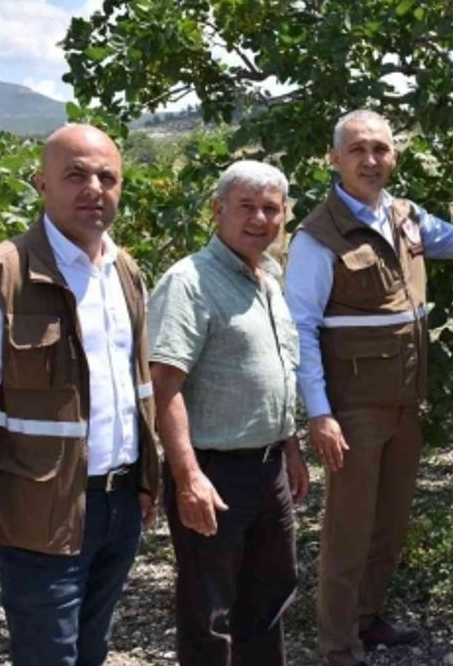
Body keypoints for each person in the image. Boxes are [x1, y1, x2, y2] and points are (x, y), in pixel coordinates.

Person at [0, 123, 160, 665]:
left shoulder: (124, 272)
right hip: (40, 508)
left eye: (107, 177)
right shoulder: (1, 277)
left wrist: (148, 478)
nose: (94, 189)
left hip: (119, 504)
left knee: (91, 650)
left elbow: (137, 389)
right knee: (48, 656)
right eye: (75, 175)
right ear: (42, 183)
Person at [285, 109, 453, 666]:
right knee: (348, 529)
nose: (371, 160)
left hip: (404, 401)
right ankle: (337, 646)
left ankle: (369, 620)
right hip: (353, 408)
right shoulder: (318, 237)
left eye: (381, 149)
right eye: (358, 150)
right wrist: (319, 413)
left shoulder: (406, 216)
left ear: (394, 156)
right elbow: (302, 326)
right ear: (335, 159)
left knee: (389, 522)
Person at [147, 161, 309, 665]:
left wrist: (291, 450)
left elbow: (275, 374)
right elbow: (163, 386)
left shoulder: (268, 279)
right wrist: (187, 476)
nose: (259, 218)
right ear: (218, 210)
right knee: (209, 611)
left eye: (270, 208)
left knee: (269, 596)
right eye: (246, 206)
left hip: (269, 469)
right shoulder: (190, 282)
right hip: (213, 471)